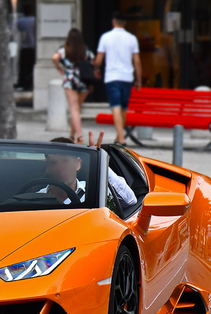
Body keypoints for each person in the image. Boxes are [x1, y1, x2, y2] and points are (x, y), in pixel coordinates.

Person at [38, 133, 136, 207]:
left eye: (65, 161)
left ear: (78, 164)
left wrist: (99, 162)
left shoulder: (96, 192)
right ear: (47, 168)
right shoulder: (35, 198)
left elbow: (130, 201)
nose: (59, 168)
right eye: (53, 163)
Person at [93, 11, 142, 145]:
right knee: (124, 108)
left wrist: (96, 68)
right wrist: (138, 79)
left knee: (115, 106)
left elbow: (99, 59)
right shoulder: (132, 38)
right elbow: (136, 61)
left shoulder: (105, 37)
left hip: (112, 76)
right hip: (127, 76)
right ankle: (119, 136)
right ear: (125, 22)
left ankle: (120, 138)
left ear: (113, 22)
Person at [52, 29, 95, 143]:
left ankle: (79, 137)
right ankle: (72, 137)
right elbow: (92, 62)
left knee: (74, 109)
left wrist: (59, 68)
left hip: (70, 79)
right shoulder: (85, 50)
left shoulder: (65, 49)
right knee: (76, 109)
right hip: (84, 79)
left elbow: (55, 58)